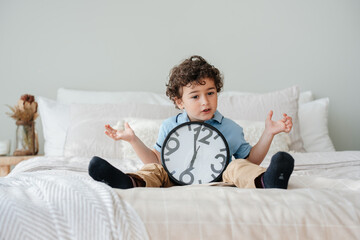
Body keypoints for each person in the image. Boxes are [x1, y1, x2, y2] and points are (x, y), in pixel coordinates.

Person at [88, 55, 294, 189]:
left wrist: (268, 133)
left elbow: (251, 160)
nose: (205, 101)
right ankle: (129, 182)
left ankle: (267, 181)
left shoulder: (230, 128)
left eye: (210, 93)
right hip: (174, 179)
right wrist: (133, 140)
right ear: (179, 102)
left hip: (219, 178)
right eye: (195, 96)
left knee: (238, 166)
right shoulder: (170, 126)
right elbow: (154, 161)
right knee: (155, 171)